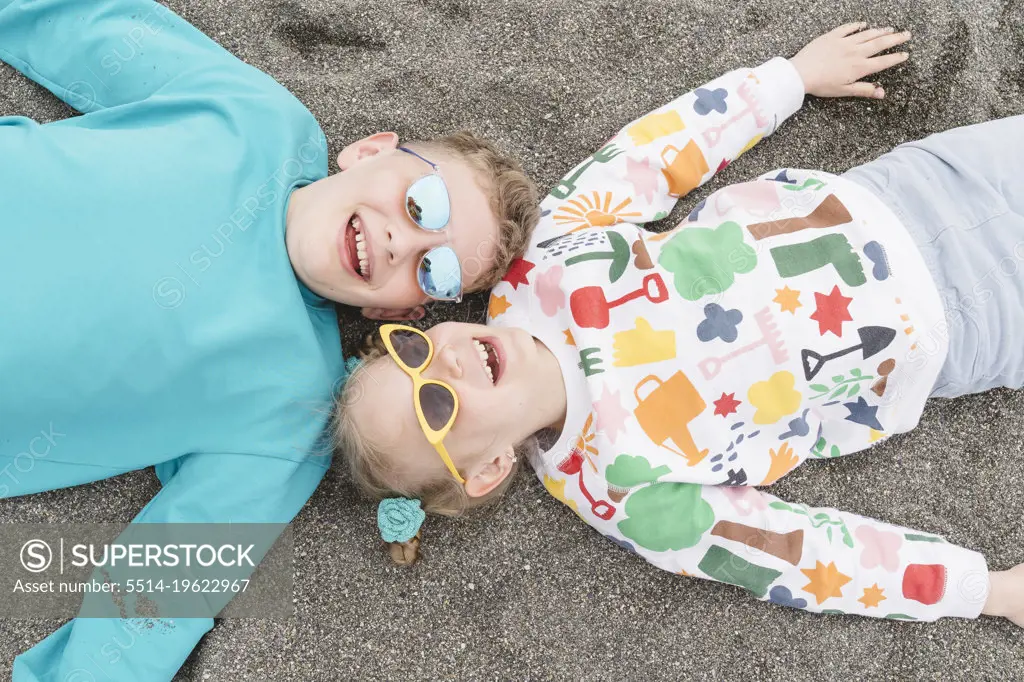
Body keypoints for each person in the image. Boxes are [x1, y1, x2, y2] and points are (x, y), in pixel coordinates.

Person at [337, 23, 1024, 626]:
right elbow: (791, 552)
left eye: (413, 351)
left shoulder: (535, 266)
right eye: (434, 402)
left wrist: (789, 80)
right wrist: (981, 591)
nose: (444, 363)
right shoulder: (624, 488)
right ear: (487, 469)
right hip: (964, 329)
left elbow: (651, 157)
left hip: (902, 190)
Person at [0, 0, 537, 678]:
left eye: (437, 270)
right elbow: (80, 26)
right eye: (422, 203)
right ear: (370, 150)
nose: (407, 239)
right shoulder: (255, 117)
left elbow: (166, 583)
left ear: (397, 315)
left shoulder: (295, 412)